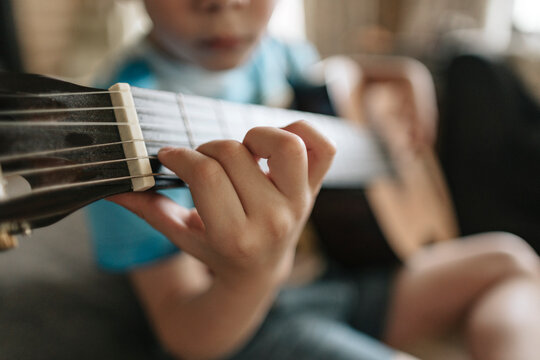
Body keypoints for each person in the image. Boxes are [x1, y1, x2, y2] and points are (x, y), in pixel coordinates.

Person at [87, 1, 540, 359]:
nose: (223, 3)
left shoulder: (278, 53)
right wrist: (254, 274)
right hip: (246, 325)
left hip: (340, 279)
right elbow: (185, 335)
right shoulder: (122, 121)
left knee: (511, 258)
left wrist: (404, 73)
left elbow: (337, 77)